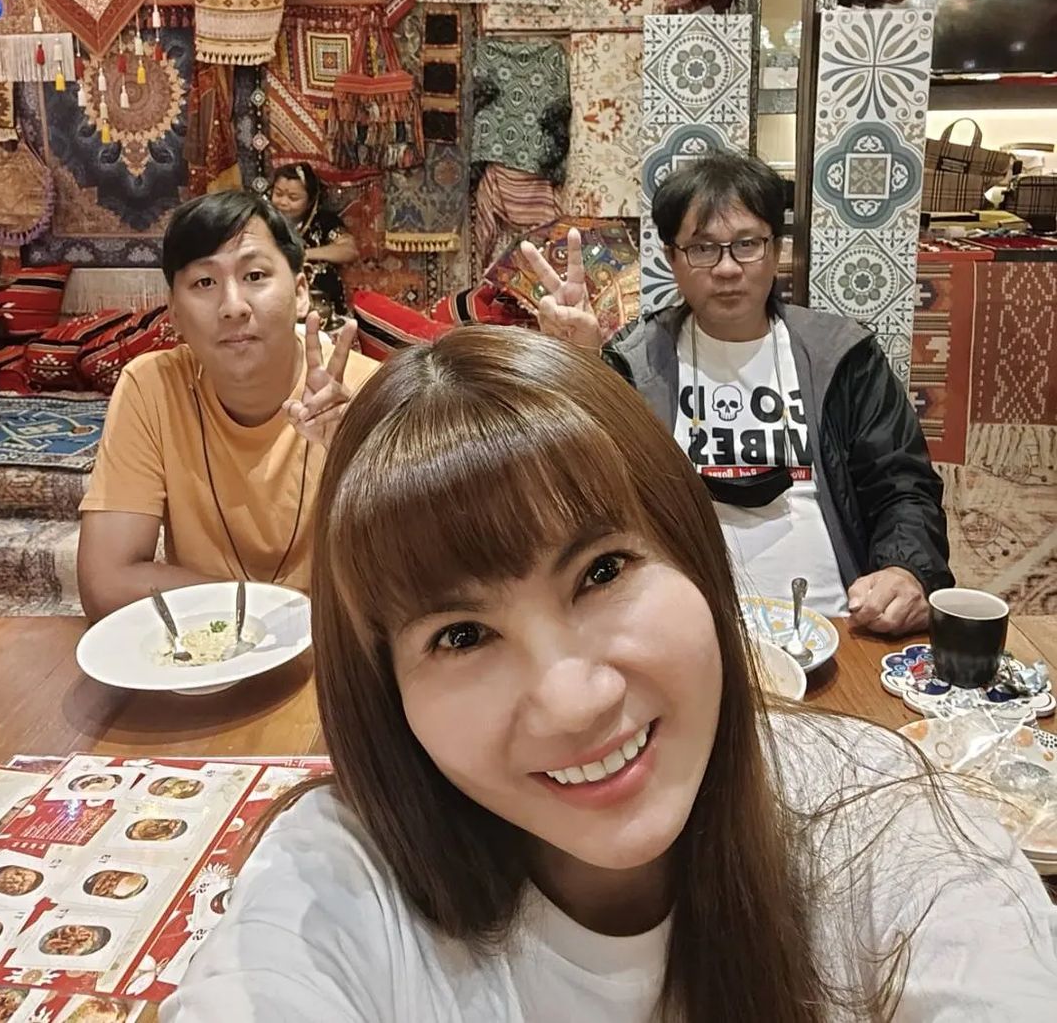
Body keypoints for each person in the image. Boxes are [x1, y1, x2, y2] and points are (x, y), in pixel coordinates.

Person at [161, 329, 1057, 1022]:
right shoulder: (335, 887)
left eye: (602, 572)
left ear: (694, 552)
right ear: (384, 688)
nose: (575, 701)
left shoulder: (885, 826)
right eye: (462, 636)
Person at [520, 152, 951, 633]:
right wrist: (578, 369)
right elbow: (575, 497)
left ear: (776, 249)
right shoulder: (634, 364)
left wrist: (905, 569)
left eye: (746, 244)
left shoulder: (841, 355)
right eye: (702, 248)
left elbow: (903, 487)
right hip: (683, 634)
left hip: (836, 623)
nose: (727, 268)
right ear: (671, 258)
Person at [77, 190, 376, 622]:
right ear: (174, 312)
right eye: (204, 283)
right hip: (208, 651)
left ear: (300, 292)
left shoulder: (366, 393)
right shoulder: (153, 388)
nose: (233, 306)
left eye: (255, 275)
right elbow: (107, 582)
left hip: (336, 650)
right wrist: (266, 612)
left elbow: (418, 582)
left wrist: (356, 454)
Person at [270, 162, 358, 325]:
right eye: (278, 194)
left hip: (322, 307)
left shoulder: (324, 222)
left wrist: (304, 254)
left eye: (293, 198)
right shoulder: (263, 221)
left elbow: (349, 250)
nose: (283, 202)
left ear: (310, 200)